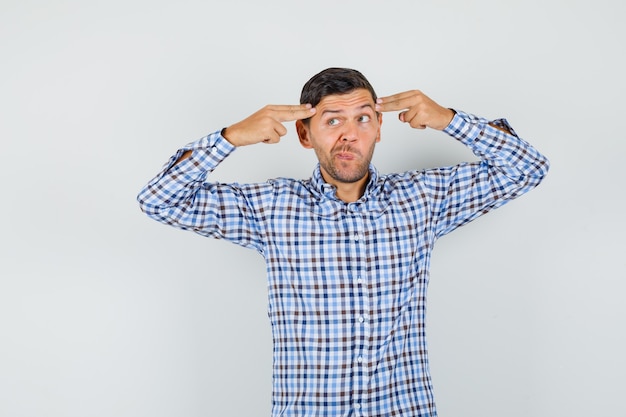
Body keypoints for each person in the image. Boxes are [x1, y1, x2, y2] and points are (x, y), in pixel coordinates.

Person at [137, 67, 549, 417]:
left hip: (403, 405)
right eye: (333, 120)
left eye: (363, 119)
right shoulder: (270, 208)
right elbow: (158, 201)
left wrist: (449, 120)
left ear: (379, 128)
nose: (349, 135)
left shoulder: (422, 199)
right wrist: (228, 138)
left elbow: (527, 169)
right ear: (304, 134)